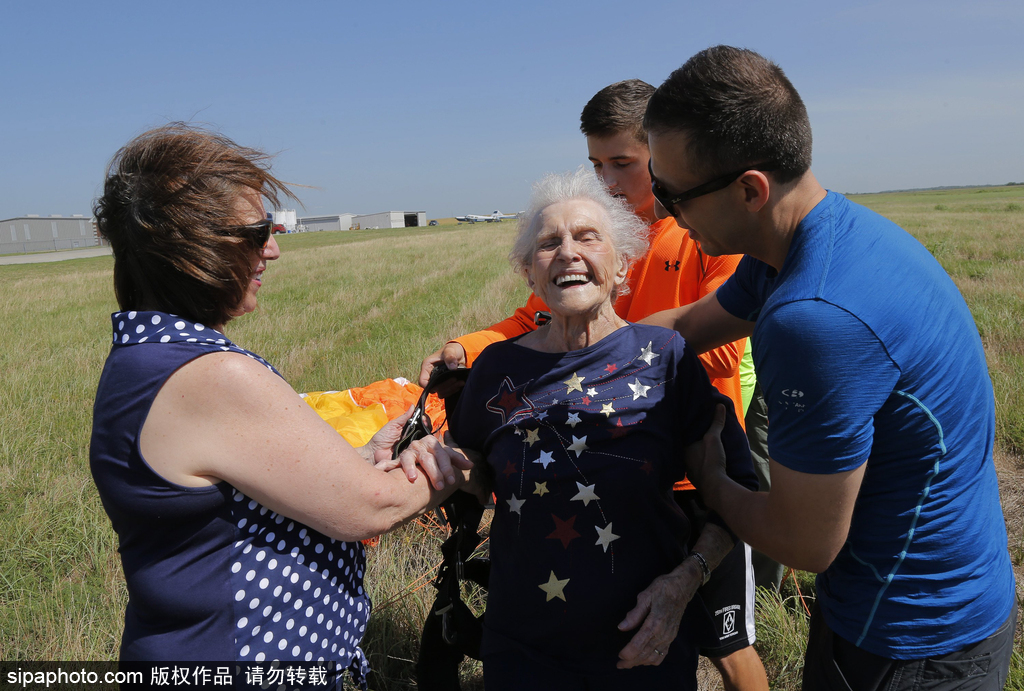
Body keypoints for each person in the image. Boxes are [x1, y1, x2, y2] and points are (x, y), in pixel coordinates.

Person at [643, 46, 1017, 690]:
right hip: (938, 596)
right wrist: (555, 356)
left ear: (749, 189)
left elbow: (804, 542)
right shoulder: (807, 242)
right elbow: (684, 326)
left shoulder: (814, 317)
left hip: (909, 641)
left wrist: (711, 477)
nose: (663, 214)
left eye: (670, 196)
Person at [89, 124, 476, 688]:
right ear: (193, 248)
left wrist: (363, 457)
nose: (272, 246)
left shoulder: (145, 357)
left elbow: (246, 498)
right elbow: (365, 510)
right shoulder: (214, 375)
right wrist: (459, 455)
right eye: (255, 232)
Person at [421, 79, 771, 690]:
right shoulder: (530, 334)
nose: (607, 180)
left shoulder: (700, 245)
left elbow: (722, 330)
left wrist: (625, 351)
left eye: (623, 164)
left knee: (724, 636)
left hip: (689, 469)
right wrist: (468, 351)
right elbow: (533, 324)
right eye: (596, 165)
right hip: (535, 623)